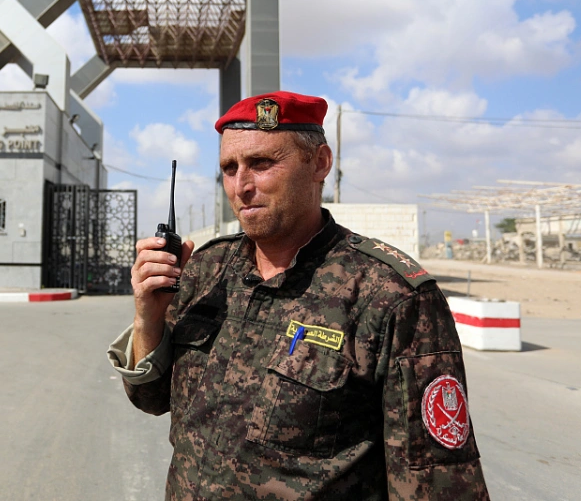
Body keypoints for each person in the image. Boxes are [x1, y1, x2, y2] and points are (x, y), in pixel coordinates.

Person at [107, 91, 490, 500]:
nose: (241, 186)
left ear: (319, 163)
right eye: (229, 168)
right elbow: (150, 398)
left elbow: (439, 485)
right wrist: (148, 319)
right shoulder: (207, 270)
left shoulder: (390, 295)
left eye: (261, 163)